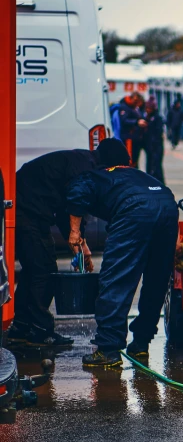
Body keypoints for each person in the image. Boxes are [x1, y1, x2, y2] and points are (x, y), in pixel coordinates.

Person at [66, 143, 178, 367]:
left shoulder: (97, 175)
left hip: (134, 210)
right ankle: (141, 344)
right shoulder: (140, 175)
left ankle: (108, 350)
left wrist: (75, 232)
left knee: (116, 279)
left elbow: (76, 194)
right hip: (167, 206)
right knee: (156, 280)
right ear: (127, 160)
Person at [9, 142, 126, 346]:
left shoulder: (83, 161)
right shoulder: (85, 168)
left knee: (33, 269)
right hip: (26, 212)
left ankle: (21, 325)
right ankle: (39, 330)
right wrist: (75, 236)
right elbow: (74, 204)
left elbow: (66, 213)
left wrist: (81, 247)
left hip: (30, 210)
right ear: (111, 164)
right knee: (44, 271)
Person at [118, 92, 147, 165]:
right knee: (130, 158)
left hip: (135, 137)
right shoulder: (125, 107)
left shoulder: (134, 107)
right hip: (129, 137)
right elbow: (124, 121)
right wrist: (137, 122)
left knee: (134, 158)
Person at [142, 96, 165, 183]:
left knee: (156, 165)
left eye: (150, 108)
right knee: (149, 165)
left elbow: (158, 132)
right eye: (147, 108)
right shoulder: (146, 117)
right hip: (149, 146)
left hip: (156, 145)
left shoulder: (157, 118)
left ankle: (159, 182)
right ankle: (150, 181)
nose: (148, 110)